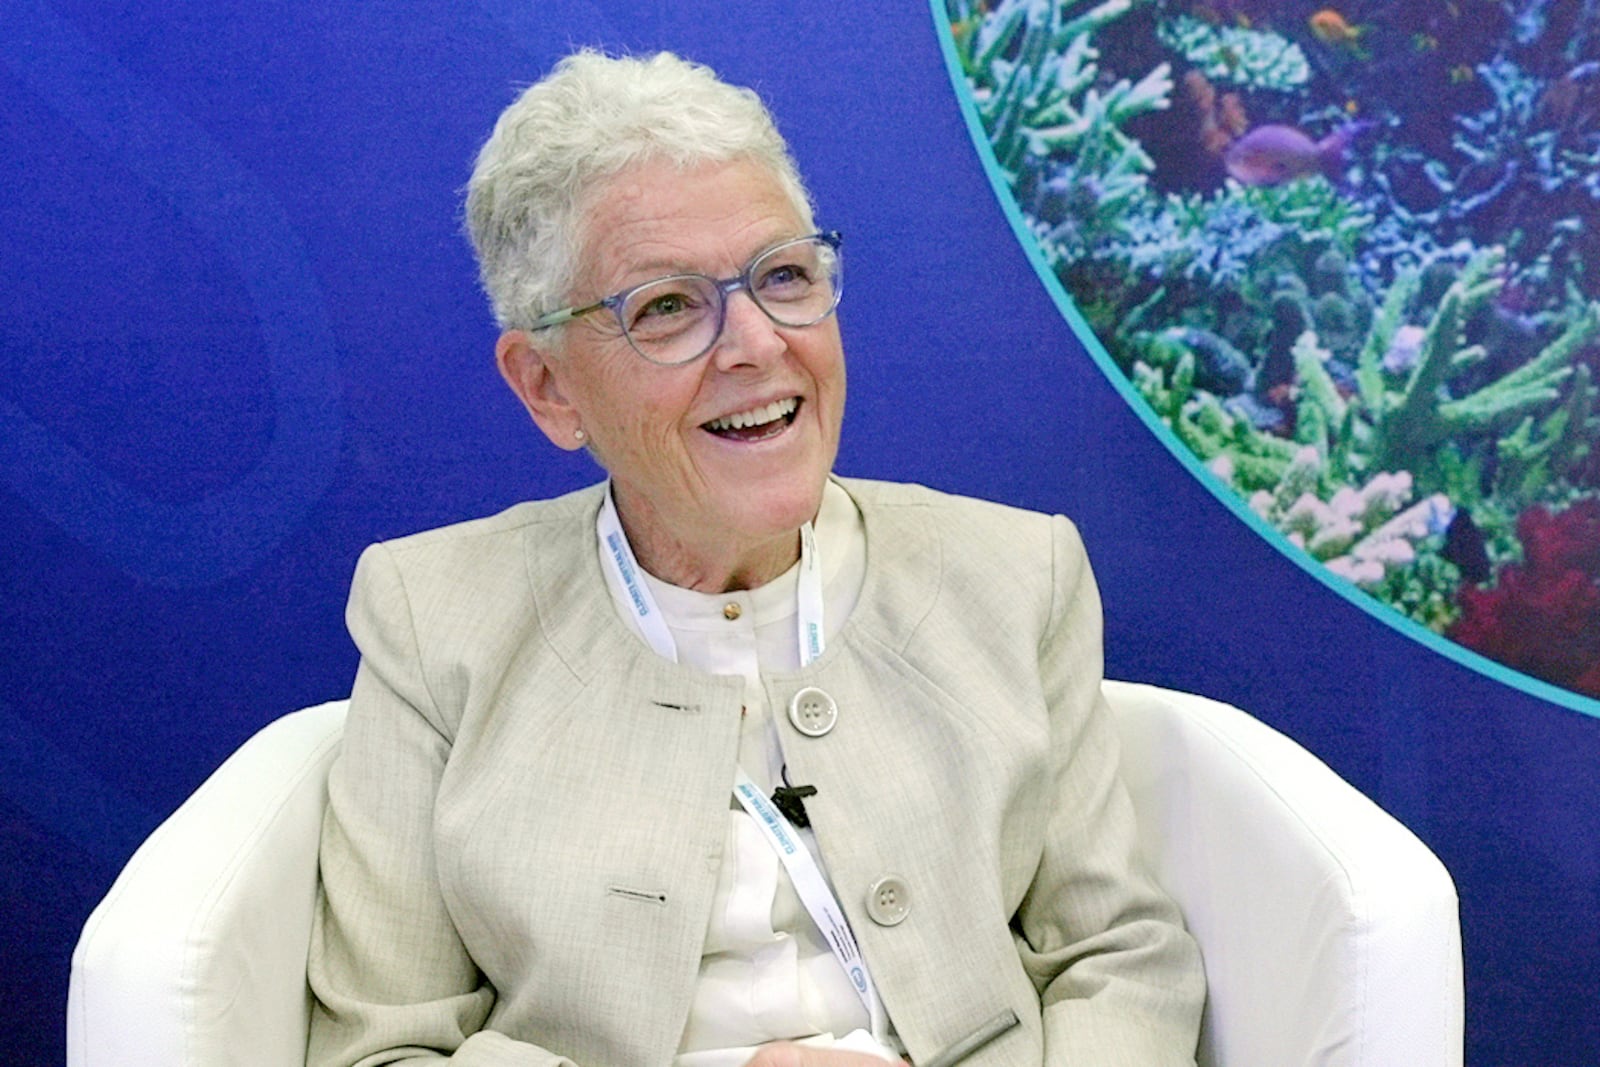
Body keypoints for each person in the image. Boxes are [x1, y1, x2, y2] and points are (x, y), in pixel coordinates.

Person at [307, 49, 1205, 1067]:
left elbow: (1118, 955)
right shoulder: (433, 618)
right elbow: (379, 1048)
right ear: (548, 386)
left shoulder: (1016, 572)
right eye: (667, 307)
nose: (757, 344)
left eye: (783, 276)